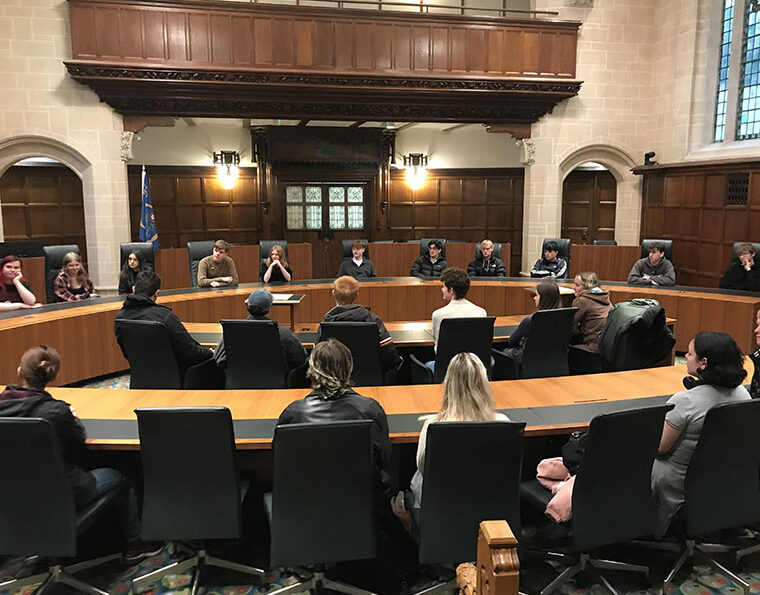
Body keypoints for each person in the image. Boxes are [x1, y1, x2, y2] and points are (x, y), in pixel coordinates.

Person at [0, 345, 160, 561]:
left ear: (20, 372)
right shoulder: (56, 412)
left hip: (12, 494)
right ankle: (136, 544)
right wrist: (71, 418)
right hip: (62, 492)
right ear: (54, 375)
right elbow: (79, 447)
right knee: (126, 474)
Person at [651, 332, 750, 538]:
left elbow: (660, 447)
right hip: (720, 482)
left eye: (689, 353)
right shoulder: (743, 394)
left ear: (703, 363)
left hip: (676, 484)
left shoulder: (685, 401)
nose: (685, 357)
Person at [393, 353, 509, 519]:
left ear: (448, 385)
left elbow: (423, 466)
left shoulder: (433, 426)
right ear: (485, 384)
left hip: (440, 508)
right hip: (489, 505)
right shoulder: (503, 423)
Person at [277, 339, 392, 504]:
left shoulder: (293, 413)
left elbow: (279, 461)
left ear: (312, 369)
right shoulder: (369, 410)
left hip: (303, 506)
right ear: (349, 368)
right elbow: (384, 459)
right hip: (359, 505)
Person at [114, 270, 213, 374]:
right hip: (175, 378)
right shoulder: (164, 316)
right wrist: (210, 353)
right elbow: (191, 352)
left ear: (134, 290)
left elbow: (127, 353)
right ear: (156, 293)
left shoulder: (119, 318)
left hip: (140, 377)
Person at [319, 275, 400, 372]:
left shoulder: (326, 323)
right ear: (357, 295)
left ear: (333, 294)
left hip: (337, 379)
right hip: (371, 378)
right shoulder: (373, 320)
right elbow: (389, 353)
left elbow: (319, 356)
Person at [214, 288, 307, 372]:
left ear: (247, 305)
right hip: (278, 386)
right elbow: (301, 358)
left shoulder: (233, 332)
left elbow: (217, 359)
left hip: (237, 387)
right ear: (269, 308)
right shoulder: (283, 333)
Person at [500, 280, 560, 364]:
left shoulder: (530, 321)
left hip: (529, 361)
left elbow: (511, 341)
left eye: (536, 295)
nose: (534, 298)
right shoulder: (563, 318)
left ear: (543, 299)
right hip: (554, 361)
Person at [431, 267, 486, 352]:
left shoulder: (438, 315)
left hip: (448, 364)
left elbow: (438, 349)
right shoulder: (481, 312)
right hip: (475, 364)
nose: (442, 289)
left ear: (451, 290)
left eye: (444, 286)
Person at [571, 271, 611, 352]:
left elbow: (571, 324)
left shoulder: (583, 300)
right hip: (607, 345)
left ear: (587, 287)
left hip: (592, 346)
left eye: (577, 285)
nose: (573, 287)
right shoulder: (605, 297)